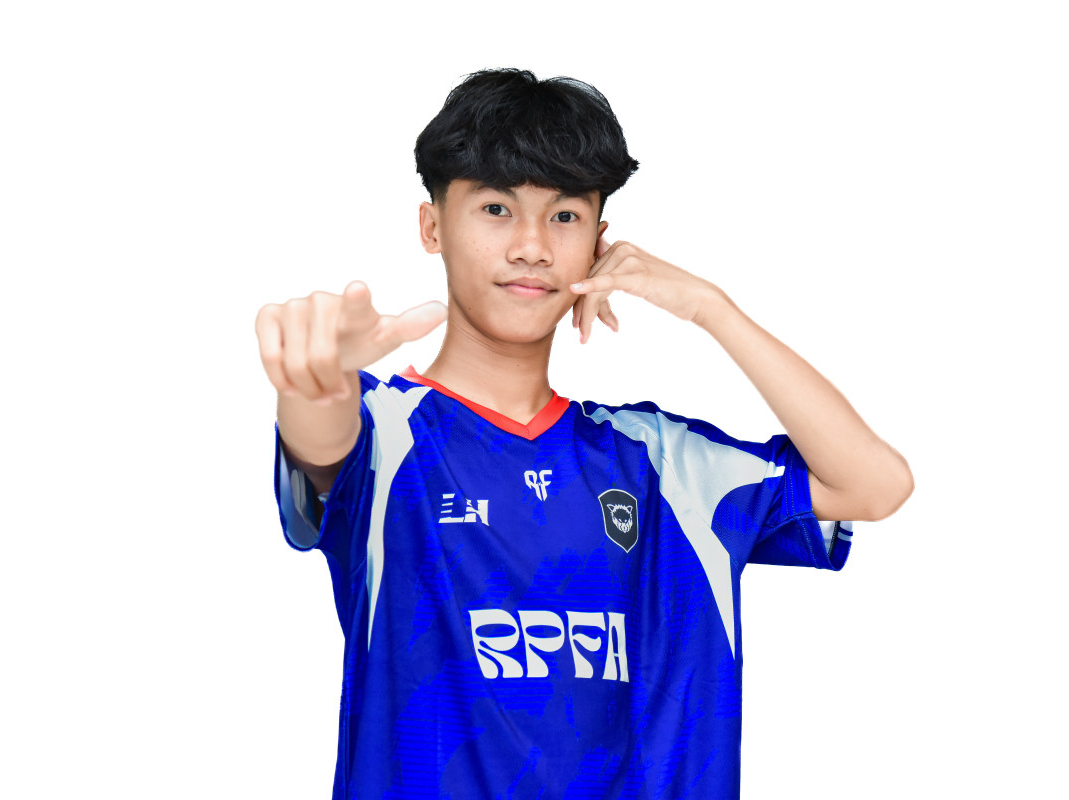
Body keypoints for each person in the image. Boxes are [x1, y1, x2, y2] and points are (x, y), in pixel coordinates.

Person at [255, 68, 913, 799]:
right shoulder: (385, 434)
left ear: (600, 242)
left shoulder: (660, 463)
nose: (532, 246)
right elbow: (323, 443)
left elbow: (875, 485)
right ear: (432, 225)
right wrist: (312, 384)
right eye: (497, 208)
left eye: (564, 216)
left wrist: (710, 308)